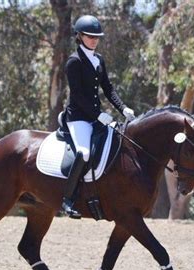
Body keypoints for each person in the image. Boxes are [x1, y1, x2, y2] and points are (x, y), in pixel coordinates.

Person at [61, 15, 135, 219]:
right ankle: (68, 200)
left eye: (97, 37)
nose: (94, 40)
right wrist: (99, 115)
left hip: (96, 117)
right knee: (84, 153)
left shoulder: (99, 59)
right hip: (78, 118)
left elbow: (108, 89)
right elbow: (77, 96)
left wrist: (123, 108)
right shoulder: (74, 62)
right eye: (89, 36)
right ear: (80, 36)